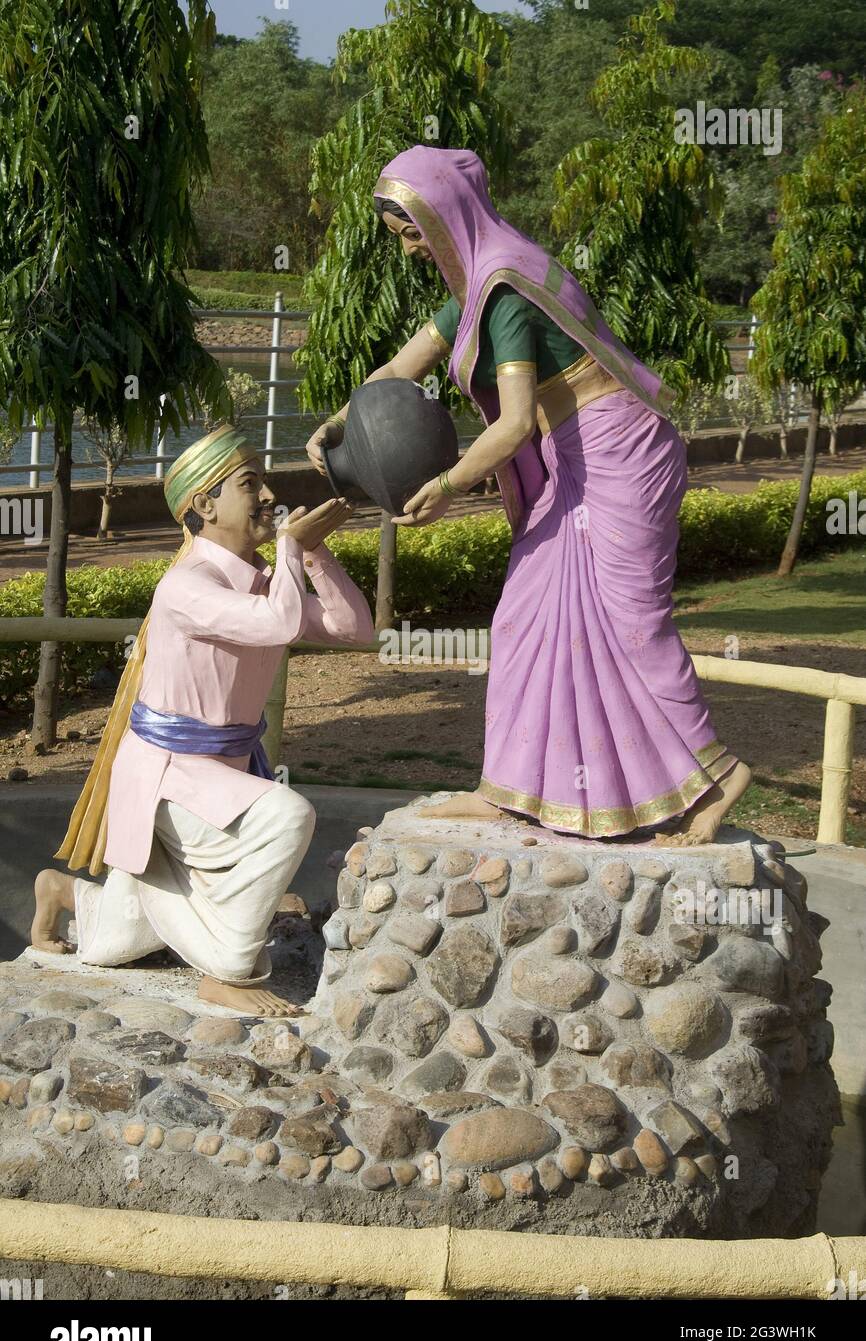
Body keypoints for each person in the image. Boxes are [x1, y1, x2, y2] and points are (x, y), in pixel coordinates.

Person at [306, 146, 751, 845]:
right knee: (524, 622)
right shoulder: (478, 290)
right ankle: (511, 790)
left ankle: (717, 776)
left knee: (634, 621)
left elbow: (514, 423)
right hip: (573, 458)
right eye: (401, 237)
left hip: (620, 454)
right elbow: (398, 369)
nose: (410, 251)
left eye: (414, 233)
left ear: (446, 216)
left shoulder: (508, 291)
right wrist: (338, 423)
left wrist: (447, 485)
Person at [31, 424, 374, 1015]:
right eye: (250, 484)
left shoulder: (265, 581)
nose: (268, 496)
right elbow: (276, 624)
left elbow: (354, 630)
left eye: (264, 481)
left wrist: (313, 551)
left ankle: (64, 892)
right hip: (167, 778)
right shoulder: (185, 587)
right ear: (205, 507)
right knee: (287, 816)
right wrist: (292, 548)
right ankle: (228, 970)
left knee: (119, 943)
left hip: (218, 777)